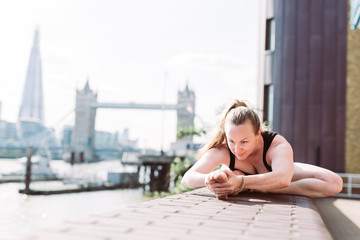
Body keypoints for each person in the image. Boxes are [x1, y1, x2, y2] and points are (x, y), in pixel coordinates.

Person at [181, 99, 343, 198]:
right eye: (232, 141)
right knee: (231, 174)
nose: (237, 149)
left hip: (278, 179)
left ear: (258, 134)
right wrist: (210, 178)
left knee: (334, 182)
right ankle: (257, 186)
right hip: (251, 181)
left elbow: (283, 178)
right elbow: (187, 179)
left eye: (244, 142)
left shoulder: (276, 144)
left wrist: (242, 182)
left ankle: (260, 188)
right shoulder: (223, 151)